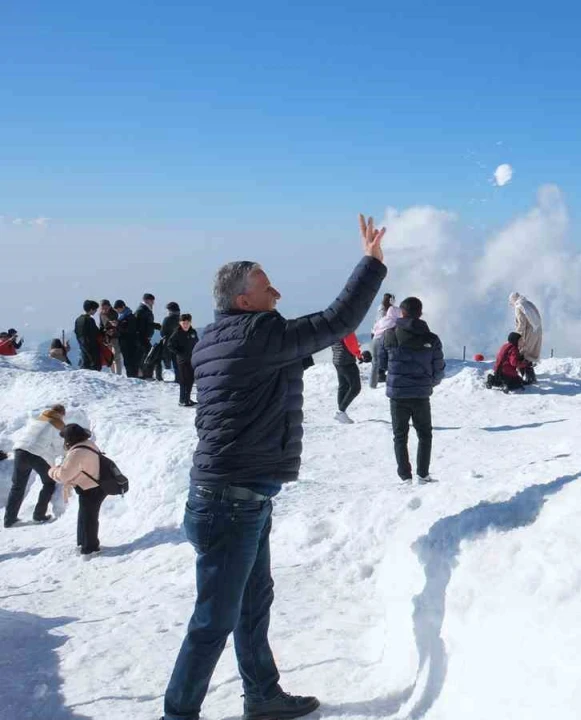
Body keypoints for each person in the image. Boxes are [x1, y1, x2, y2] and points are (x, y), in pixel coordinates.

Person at [161, 214, 386, 720]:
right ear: (244, 301)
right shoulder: (258, 334)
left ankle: (262, 695)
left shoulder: (214, 338)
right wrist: (371, 263)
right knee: (213, 621)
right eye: (267, 287)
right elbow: (337, 321)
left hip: (234, 498)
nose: (278, 293)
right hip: (230, 502)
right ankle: (177, 714)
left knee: (251, 604)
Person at [384, 296, 445, 482]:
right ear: (420, 313)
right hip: (420, 395)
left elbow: (382, 363)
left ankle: (405, 477)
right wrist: (430, 383)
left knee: (400, 436)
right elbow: (439, 368)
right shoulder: (431, 339)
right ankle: (423, 475)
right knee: (424, 435)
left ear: (402, 313)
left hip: (397, 395)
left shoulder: (390, 335)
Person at [4, 404, 66, 528]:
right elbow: (59, 446)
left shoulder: (38, 419)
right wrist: (66, 455)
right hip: (34, 454)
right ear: (61, 414)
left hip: (20, 451)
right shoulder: (57, 423)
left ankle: (9, 519)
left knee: (17, 487)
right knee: (49, 482)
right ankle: (39, 515)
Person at [49, 423, 106, 555]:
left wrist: (52, 471)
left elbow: (64, 475)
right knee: (85, 517)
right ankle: (83, 543)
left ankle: (90, 548)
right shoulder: (88, 444)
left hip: (91, 489)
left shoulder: (77, 452)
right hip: (95, 485)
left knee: (88, 519)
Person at [508, 292, 542, 383]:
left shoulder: (518, 307)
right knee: (529, 354)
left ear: (513, 300)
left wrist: (517, 337)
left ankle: (528, 377)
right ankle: (530, 377)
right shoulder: (528, 304)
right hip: (537, 332)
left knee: (522, 353)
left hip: (528, 333)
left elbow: (521, 324)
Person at [167, 314, 200, 407]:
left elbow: (197, 343)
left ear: (190, 323)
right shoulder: (177, 333)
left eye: (187, 323)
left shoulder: (193, 332)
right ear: (180, 323)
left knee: (190, 380)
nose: (185, 325)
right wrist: (179, 352)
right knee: (184, 380)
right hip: (182, 360)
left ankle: (187, 398)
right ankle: (182, 400)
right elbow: (170, 345)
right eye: (183, 323)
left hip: (192, 359)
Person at [369, 293, 400, 389]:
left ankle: (373, 384)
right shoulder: (388, 315)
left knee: (375, 362)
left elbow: (374, 327)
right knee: (391, 360)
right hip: (384, 339)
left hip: (375, 339)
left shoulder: (381, 312)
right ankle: (392, 381)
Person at [331, 333, 363, 423]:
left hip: (337, 359)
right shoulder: (346, 328)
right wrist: (359, 355)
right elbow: (351, 343)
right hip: (347, 361)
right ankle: (341, 411)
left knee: (343, 386)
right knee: (356, 387)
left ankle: (341, 414)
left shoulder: (334, 328)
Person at [136, 293, 161, 379]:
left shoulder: (146, 309)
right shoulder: (141, 310)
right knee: (146, 355)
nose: (153, 303)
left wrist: (157, 326)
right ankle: (143, 374)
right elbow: (140, 325)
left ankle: (145, 374)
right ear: (146, 300)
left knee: (148, 355)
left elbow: (148, 323)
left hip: (145, 337)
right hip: (142, 337)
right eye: (152, 301)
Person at [112, 300, 139, 377]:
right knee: (127, 361)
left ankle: (132, 376)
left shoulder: (130, 317)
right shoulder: (122, 316)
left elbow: (130, 330)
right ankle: (130, 375)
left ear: (123, 307)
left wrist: (118, 325)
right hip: (124, 341)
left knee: (130, 361)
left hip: (129, 342)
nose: (117, 311)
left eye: (118, 309)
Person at [74, 300, 102, 371]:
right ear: (91, 309)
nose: (96, 311)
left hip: (82, 345)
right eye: (95, 309)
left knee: (85, 364)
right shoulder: (90, 320)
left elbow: (76, 332)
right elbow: (96, 333)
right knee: (94, 365)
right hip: (91, 346)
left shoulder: (78, 319)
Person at [160, 302, 182, 381]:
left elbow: (162, 333)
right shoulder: (182, 319)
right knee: (178, 363)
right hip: (180, 344)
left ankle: (160, 376)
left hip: (170, 344)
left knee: (168, 361)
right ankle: (180, 378)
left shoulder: (167, 319)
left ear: (170, 310)